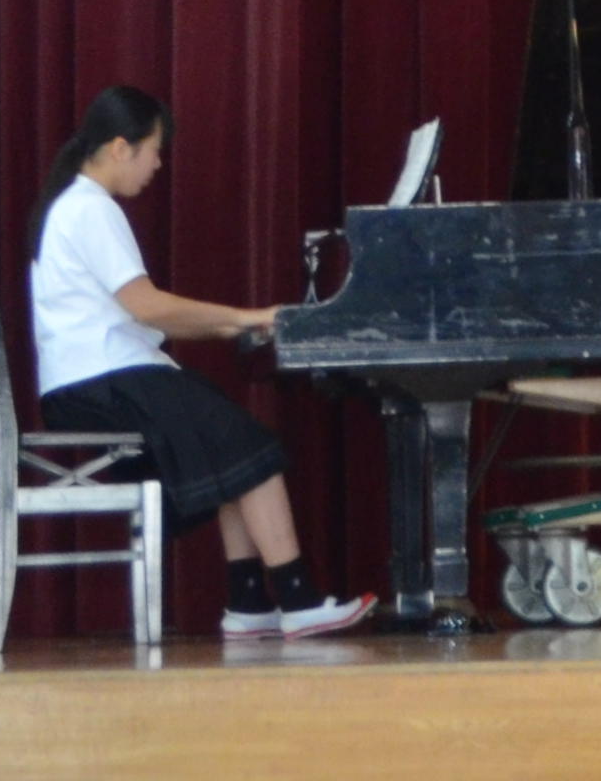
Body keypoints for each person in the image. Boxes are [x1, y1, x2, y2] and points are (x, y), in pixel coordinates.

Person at [22, 86, 377, 638]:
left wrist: (229, 324)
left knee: (229, 450)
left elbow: (146, 316)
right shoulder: (90, 208)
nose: (157, 165)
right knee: (253, 448)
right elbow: (147, 306)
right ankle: (300, 599)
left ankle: (248, 604)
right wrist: (246, 317)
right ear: (120, 148)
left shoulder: (70, 204)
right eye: (153, 151)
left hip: (92, 381)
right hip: (106, 380)